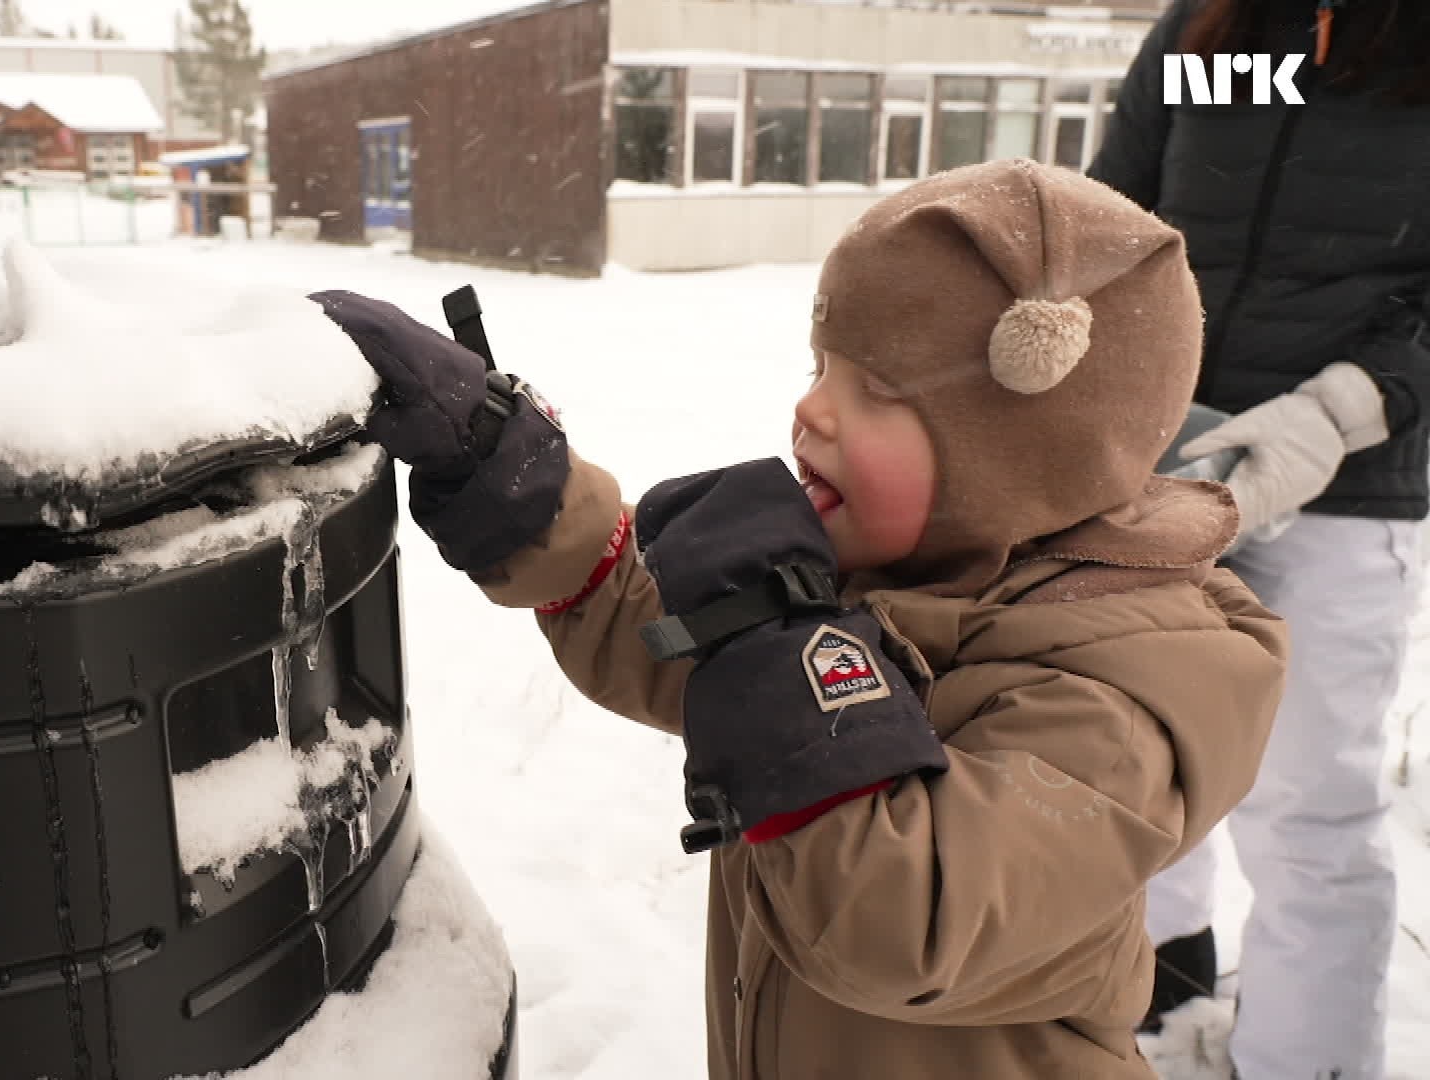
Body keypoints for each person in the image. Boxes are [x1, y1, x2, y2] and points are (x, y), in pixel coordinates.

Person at [310, 159, 1288, 1078]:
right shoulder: (908, 573)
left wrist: (775, 641)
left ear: (1018, 457)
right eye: (822, 365)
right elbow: (664, 644)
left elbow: (897, 920)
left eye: (877, 392)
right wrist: (515, 480)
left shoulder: (1122, 692)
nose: (809, 410)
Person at [1089, 3, 1430, 1075]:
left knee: (1308, 814)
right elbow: (1112, 213)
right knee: (1139, 755)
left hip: (1344, 492)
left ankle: (1306, 1059)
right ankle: (1161, 989)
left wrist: (1342, 409)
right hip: (1159, 466)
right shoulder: (1223, 30)